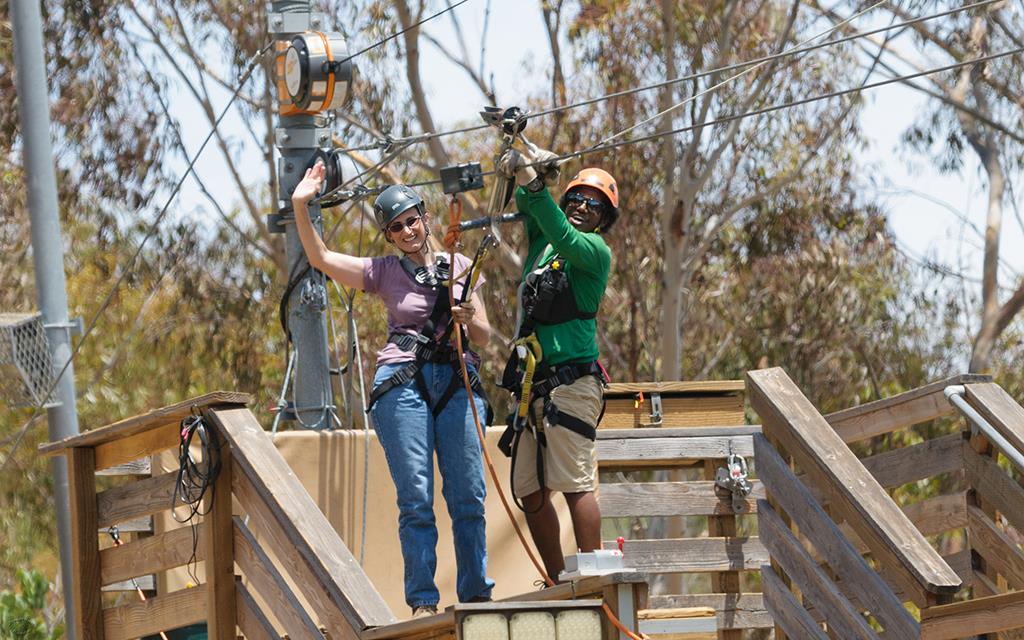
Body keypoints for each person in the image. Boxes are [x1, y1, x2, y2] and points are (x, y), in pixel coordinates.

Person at [291, 162, 495, 617]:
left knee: (468, 494)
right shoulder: (383, 272)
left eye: (411, 220)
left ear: (425, 217)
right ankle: (423, 600)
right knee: (416, 497)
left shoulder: (458, 264)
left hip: (456, 381)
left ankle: (477, 595)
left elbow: (483, 334)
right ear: (389, 235)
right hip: (404, 381)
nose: (407, 230)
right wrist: (301, 204)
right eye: (396, 226)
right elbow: (321, 258)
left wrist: (466, 318)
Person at [497, 148, 619, 582]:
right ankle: (555, 580)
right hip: (535, 386)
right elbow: (534, 209)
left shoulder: (592, 251)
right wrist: (530, 172)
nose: (583, 207)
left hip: (572, 385)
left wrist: (535, 184)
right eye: (576, 199)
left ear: (604, 217)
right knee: (529, 490)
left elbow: (561, 231)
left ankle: (590, 579)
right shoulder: (544, 245)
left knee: (574, 484)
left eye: (594, 204)